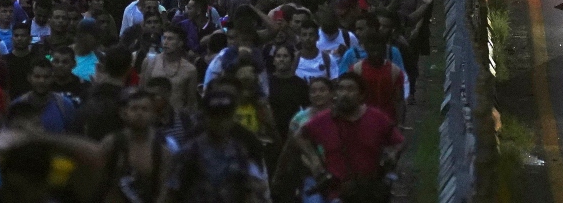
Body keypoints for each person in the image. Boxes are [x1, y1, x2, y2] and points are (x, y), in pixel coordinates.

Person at [295, 73, 404, 203]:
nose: (344, 94)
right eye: (341, 89)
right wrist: (315, 162)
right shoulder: (324, 119)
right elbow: (300, 136)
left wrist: (391, 156)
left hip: (370, 191)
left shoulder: (376, 118)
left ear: (361, 95)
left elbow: (399, 141)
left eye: (350, 89)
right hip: (337, 193)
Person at [164, 81, 270, 202]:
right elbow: (171, 193)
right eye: (215, 116)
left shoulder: (239, 152)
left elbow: (252, 191)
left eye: (225, 116)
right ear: (205, 117)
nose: (220, 123)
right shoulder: (189, 153)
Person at [100, 88, 174, 203]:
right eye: (134, 108)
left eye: (145, 109)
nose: (139, 113)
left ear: (153, 114)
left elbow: (164, 190)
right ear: (125, 113)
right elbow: (97, 179)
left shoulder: (161, 151)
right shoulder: (111, 143)